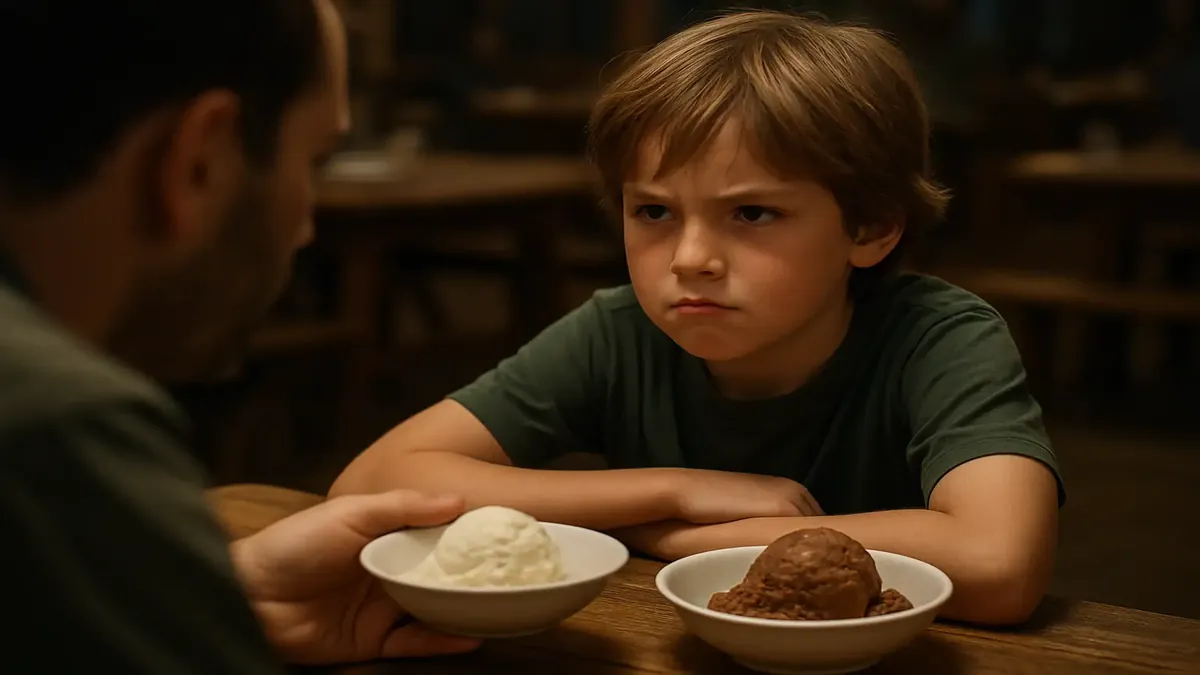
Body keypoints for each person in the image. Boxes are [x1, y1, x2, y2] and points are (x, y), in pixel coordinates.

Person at [331, 10, 1066, 626]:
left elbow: (999, 563)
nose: (689, 258)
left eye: (751, 212)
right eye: (653, 210)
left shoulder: (938, 337)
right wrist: (672, 487)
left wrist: (671, 536)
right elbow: (369, 484)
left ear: (871, 225)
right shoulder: (619, 330)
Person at [0, 1, 478, 671]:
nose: (306, 225)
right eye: (312, 159)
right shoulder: (54, 428)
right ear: (201, 158)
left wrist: (198, 596)